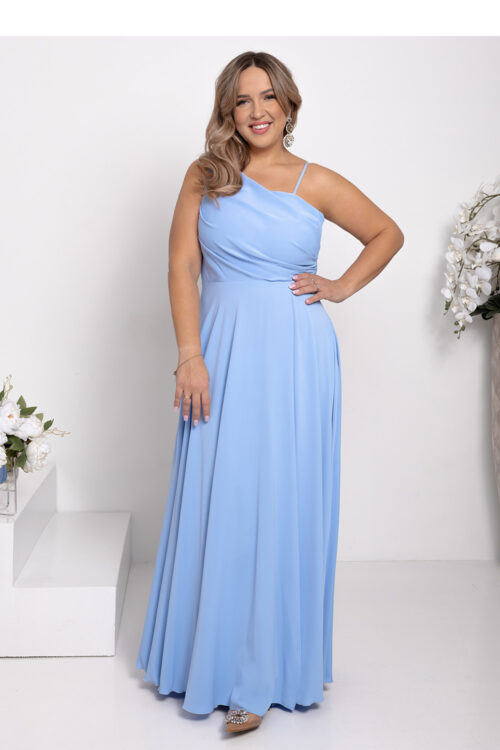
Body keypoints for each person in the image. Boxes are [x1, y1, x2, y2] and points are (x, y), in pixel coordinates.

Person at [136, 50, 404, 734]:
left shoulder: (316, 180)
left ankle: (264, 674)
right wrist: (189, 355)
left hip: (296, 358)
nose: (257, 111)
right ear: (228, 110)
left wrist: (340, 286)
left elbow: (387, 233)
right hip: (220, 352)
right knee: (222, 495)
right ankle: (205, 660)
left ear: (288, 105)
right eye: (242, 99)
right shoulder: (206, 175)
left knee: (281, 500)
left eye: (268, 97)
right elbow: (181, 264)